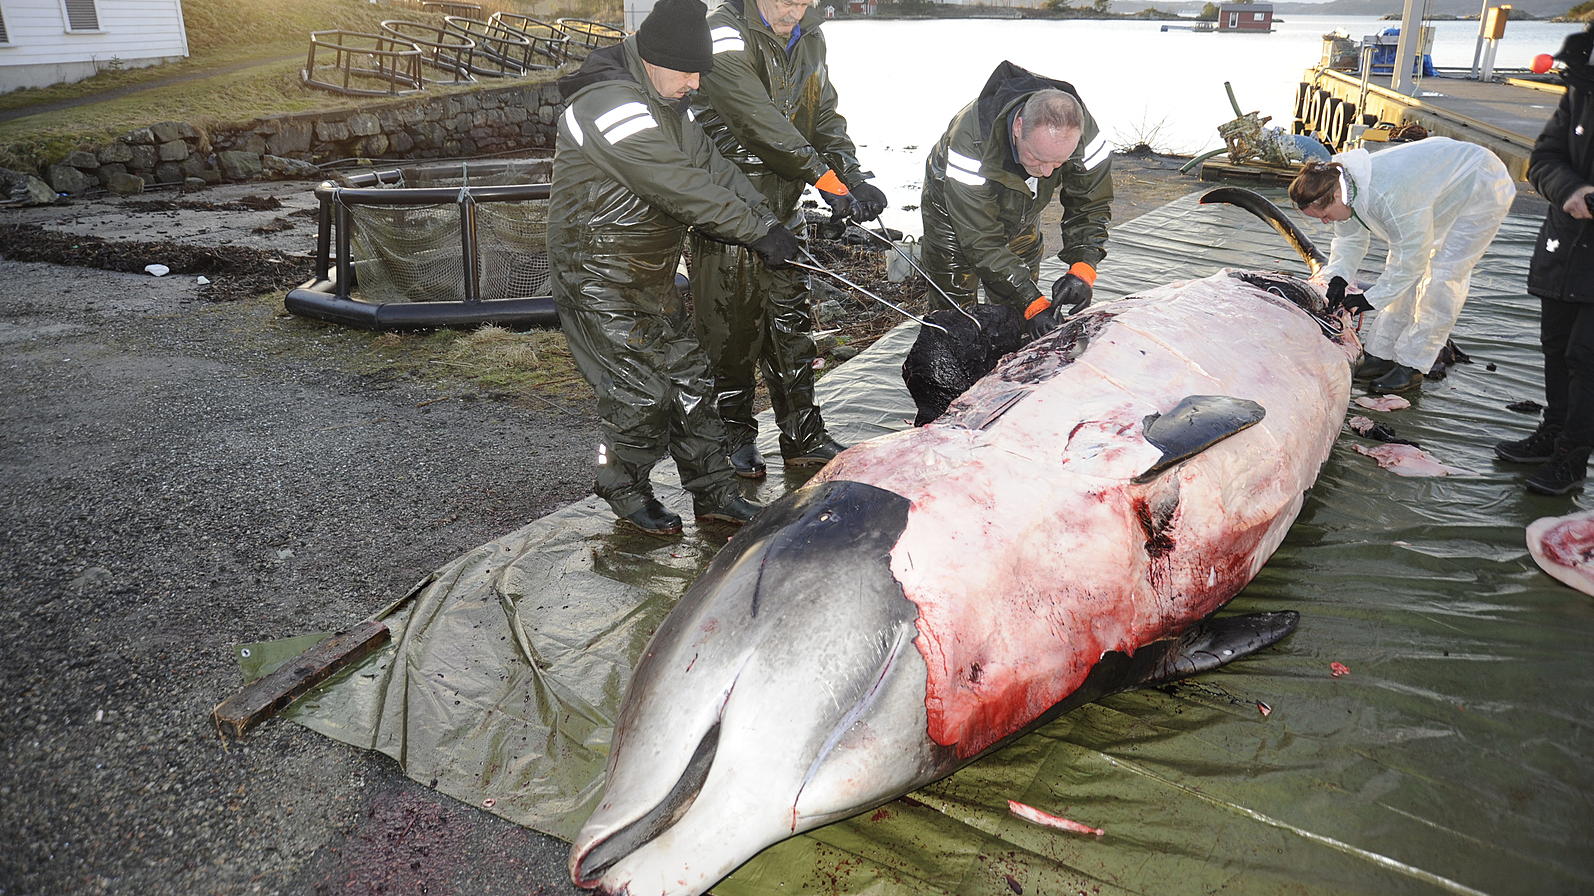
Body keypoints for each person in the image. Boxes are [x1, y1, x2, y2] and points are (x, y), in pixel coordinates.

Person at [548, 0, 800, 535]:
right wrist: (754, 232)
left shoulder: (667, 103)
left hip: (652, 273)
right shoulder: (608, 104)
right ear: (656, 58)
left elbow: (714, 169)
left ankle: (714, 493)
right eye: (687, 71)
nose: (693, 83)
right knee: (640, 392)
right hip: (595, 277)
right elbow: (676, 185)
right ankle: (621, 485)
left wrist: (768, 221)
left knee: (690, 379)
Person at [684, 0, 887, 480]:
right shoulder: (723, 33)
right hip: (730, 210)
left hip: (784, 209)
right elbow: (754, 118)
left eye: (805, 0)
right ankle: (733, 435)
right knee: (730, 332)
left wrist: (852, 176)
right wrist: (826, 179)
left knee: (791, 327)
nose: (796, 9)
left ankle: (803, 435)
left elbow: (824, 117)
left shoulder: (811, 37)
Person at [1289, 137, 1516, 395]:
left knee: (1442, 275)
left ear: (1337, 196)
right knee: (1400, 267)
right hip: (1438, 188)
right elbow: (1350, 238)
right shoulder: (1343, 187)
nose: (1326, 223)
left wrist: (1369, 299)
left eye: (1325, 216)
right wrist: (1338, 278)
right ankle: (1381, 355)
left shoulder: (1386, 195)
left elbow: (1411, 261)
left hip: (1480, 185)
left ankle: (1413, 365)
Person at [920, 61, 1114, 335]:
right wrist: (1032, 302)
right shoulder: (970, 142)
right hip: (954, 212)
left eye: (1058, 163)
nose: (1047, 172)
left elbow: (1091, 204)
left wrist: (1083, 267)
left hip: (1023, 207)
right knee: (955, 313)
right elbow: (980, 239)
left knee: (1018, 309)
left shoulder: (1081, 134)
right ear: (1018, 126)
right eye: (1037, 157)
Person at [1493, 24, 1594, 496]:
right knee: (1555, 347)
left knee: (1587, 358)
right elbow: (1545, 156)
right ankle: (1551, 435)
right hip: (1566, 243)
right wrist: (1570, 190)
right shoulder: (1581, 88)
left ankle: (1572, 460)